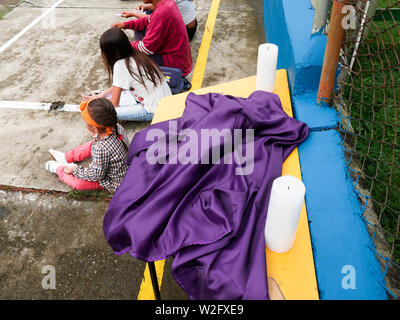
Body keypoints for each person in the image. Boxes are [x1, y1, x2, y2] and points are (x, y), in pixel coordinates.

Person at [83, 28, 172, 122]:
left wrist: (96, 100)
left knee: (99, 111)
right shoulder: (136, 53)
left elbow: (114, 103)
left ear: (113, 53)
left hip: (153, 110)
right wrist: (102, 95)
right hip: (164, 101)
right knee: (101, 95)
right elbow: (119, 86)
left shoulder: (120, 65)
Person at [45, 99, 129, 193]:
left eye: (86, 122)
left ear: (95, 128)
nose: (85, 124)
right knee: (92, 144)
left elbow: (96, 175)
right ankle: (66, 157)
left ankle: (60, 169)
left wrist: (75, 170)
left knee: (78, 184)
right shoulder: (115, 126)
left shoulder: (101, 149)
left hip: (113, 181)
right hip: (121, 163)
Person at [112, 0, 193, 77]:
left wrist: (124, 44)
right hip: (179, 56)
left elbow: (146, 49)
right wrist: (125, 24)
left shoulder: (161, 13)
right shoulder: (165, 3)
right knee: (138, 30)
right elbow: (148, 20)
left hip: (176, 64)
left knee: (133, 57)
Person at [121, 0, 198, 41]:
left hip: (185, 34)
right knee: (148, 12)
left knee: (140, 28)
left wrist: (133, 14)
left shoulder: (168, 4)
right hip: (188, 27)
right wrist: (145, 7)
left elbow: (153, 19)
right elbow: (158, 6)